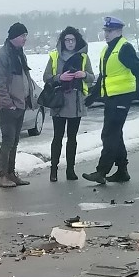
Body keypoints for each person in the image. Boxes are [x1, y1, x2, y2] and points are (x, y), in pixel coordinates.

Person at [82, 16, 139, 184]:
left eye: (109, 31)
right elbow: (104, 76)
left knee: (109, 134)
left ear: (118, 31)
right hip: (111, 97)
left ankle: (101, 171)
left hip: (122, 97)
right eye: (105, 31)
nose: (106, 34)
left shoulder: (124, 48)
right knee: (116, 134)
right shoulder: (107, 50)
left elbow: (138, 69)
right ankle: (122, 171)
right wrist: (93, 96)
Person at [43, 26, 95, 182]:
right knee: (57, 137)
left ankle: (70, 170)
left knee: (72, 137)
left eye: (72, 40)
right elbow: (46, 77)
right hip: (59, 101)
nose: (70, 43)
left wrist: (83, 74)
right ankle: (54, 170)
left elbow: (91, 77)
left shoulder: (84, 57)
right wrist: (60, 77)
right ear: (62, 41)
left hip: (76, 101)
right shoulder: (54, 56)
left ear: (77, 40)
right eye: (67, 40)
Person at [0, 22, 35, 189]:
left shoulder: (19, 54)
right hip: (9, 107)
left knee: (15, 141)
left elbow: (24, 77)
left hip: (20, 103)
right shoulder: (1, 57)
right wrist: (8, 104)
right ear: (14, 37)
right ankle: (3, 176)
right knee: (7, 140)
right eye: (23, 36)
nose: (25, 39)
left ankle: (11, 173)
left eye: (25, 35)